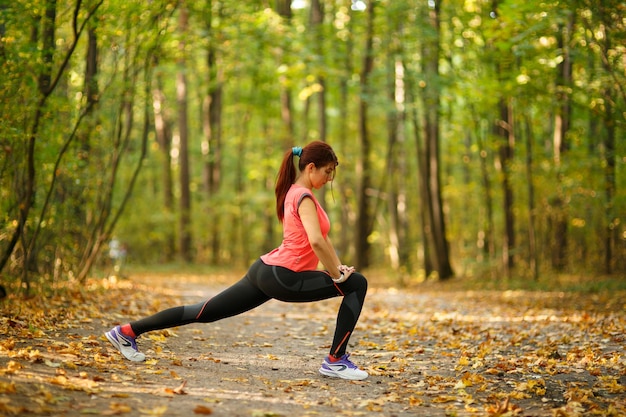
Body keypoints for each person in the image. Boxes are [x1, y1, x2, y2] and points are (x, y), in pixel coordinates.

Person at [104, 141, 369, 380]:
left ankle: (127, 331)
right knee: (357, 284)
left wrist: (339, 267)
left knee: (204, 312)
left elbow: (323, 238)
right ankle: (335, 360)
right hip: (283, 276)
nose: (329, 178)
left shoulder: (295, 192)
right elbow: (316, 242)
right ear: (311, 167)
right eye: (327, 171)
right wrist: (338, 275)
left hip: (265, 271)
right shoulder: (305, 197)